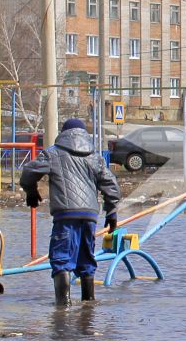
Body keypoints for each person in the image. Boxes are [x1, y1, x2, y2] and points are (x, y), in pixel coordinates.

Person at [19, 117, 122, 306]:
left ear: (63, 133)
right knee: (86, 258)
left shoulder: (53, 154)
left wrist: (31, 190)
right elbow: (111, 186)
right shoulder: (95, 157)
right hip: (90, 215)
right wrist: (111, 212)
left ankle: (62, 307)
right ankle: (88, 304)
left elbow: (28, 172)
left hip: (66, 214)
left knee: (61, 258)